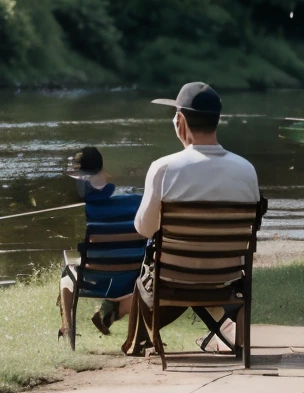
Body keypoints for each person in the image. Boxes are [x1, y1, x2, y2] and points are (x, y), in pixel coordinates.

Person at [125, 82, 259, 355]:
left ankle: (142, 340)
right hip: (227, 274)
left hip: (174, 274)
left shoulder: (163, 168)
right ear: (217, 120)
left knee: (147, 269)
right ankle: (226, 327)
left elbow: (144, 228)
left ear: (180, 120)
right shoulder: (247, 170)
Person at [59, 146, 141, 336]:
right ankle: (112, 310)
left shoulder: (85, 209)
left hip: (92, 279)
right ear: (102, 170)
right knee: (147, 280)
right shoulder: (135, 201)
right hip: (131, 278)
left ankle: (68, 327)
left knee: (67, 269)